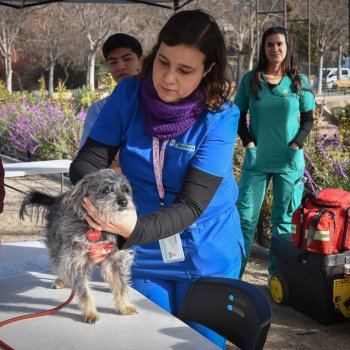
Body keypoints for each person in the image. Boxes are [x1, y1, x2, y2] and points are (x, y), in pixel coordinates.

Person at [70, 9, 244, 349]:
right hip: (144, 249)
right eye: (163, 62)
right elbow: (88, 159)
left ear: (208, 69)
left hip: (206, 247)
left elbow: (192, 204)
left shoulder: (220, 116)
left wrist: (131, 227)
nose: (167, 78)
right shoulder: (129, 95)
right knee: (143, 339)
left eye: (185, 70)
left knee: (198, 342)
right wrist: (103, 203)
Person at [234, 26, 316, 281]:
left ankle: (277, 278)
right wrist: (248, 143)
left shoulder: (300, 81)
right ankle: (234, 275)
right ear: (263, 48)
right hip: (257, 161)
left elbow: (309, 120)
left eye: (279, 44)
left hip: (289, 161)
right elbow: (238, 116)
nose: (275, 49)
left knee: (282, 223)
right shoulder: (250, 80)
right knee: (245, 220)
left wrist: (296, 145)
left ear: (288, 47)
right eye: (270, 44)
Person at [79, 33, 143, 149]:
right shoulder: (98, 110)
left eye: (127, 59)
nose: (120, 66)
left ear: (141, 60)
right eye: (113, 62)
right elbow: (87, 157)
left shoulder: (159, 101)